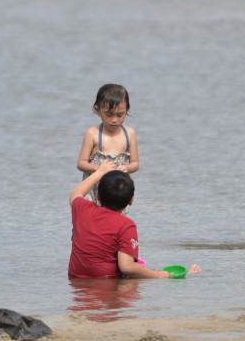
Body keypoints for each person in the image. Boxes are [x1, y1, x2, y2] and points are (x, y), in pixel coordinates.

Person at [69, 161, 200, 279]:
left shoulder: (82, 209)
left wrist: (99, 173)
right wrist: (159, 275)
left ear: (97, 195)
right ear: (131, 200)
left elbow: (76, 193)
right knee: (145, 278)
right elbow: (127, 267)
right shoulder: (126, 225)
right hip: (107, 287)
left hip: (76, 283)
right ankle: (183, 277)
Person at [75, 84, 139, 203]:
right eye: (109, 115)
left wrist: (126, 168)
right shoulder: (92, 134)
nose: (115, 120)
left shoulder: (129, 134)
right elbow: (81, 163)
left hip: (117, 190)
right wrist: (99, 169)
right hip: (95, 188)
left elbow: (135, 164)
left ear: (127, 110)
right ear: (98, 110)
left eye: (120, 114)